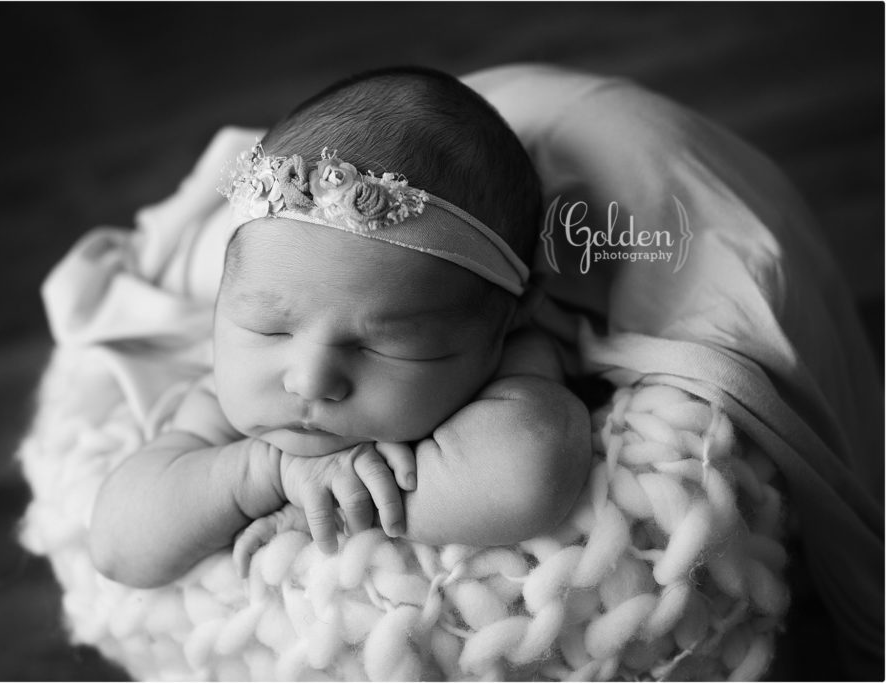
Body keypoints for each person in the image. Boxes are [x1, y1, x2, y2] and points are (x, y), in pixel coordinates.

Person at [86, 66, 592, 589]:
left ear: (511, 317)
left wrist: (340, 504)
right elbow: (118, 546)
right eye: (269, 328)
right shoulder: (222, 404)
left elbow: (524, 479)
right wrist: (266, 474)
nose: (309, 381)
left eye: (383, 345)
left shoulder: (513, 357)